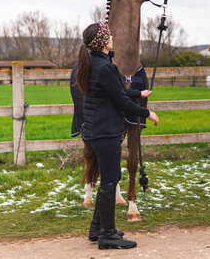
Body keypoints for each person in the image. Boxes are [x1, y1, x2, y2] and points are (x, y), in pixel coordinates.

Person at [76, 22, 159, 250]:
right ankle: (108, 235)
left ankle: (96, 230)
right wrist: (147, 112)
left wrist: (138, 93)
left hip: (96, 129)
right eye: (109, 35)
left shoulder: (94, 62)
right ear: (102, 42)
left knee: (108, 181)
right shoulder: (106, 67)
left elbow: (117, 90)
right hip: (106, 131)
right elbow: (120, 100)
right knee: (111, 181)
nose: (112, 38)